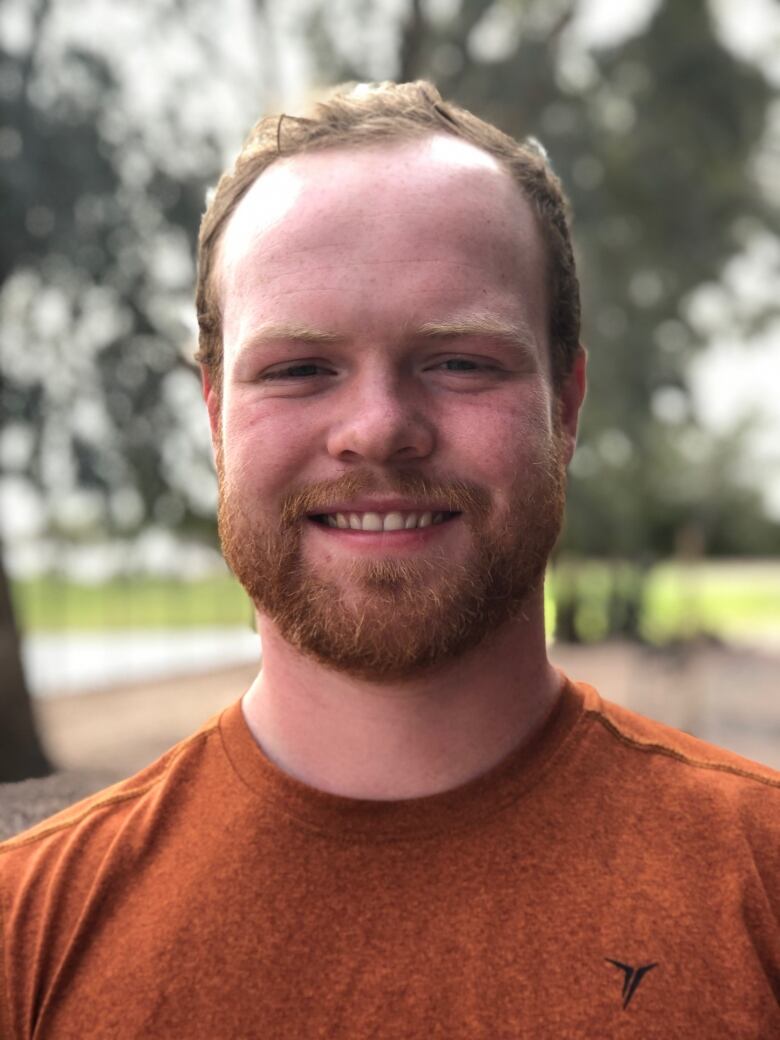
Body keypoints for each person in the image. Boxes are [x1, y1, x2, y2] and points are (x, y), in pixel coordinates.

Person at [1, 81, 778, 1039]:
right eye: (298, 369)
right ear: (213, 415)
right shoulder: (27, 933)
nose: (377, 430)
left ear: (566, 404)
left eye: (459, 361)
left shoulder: (761, 881)